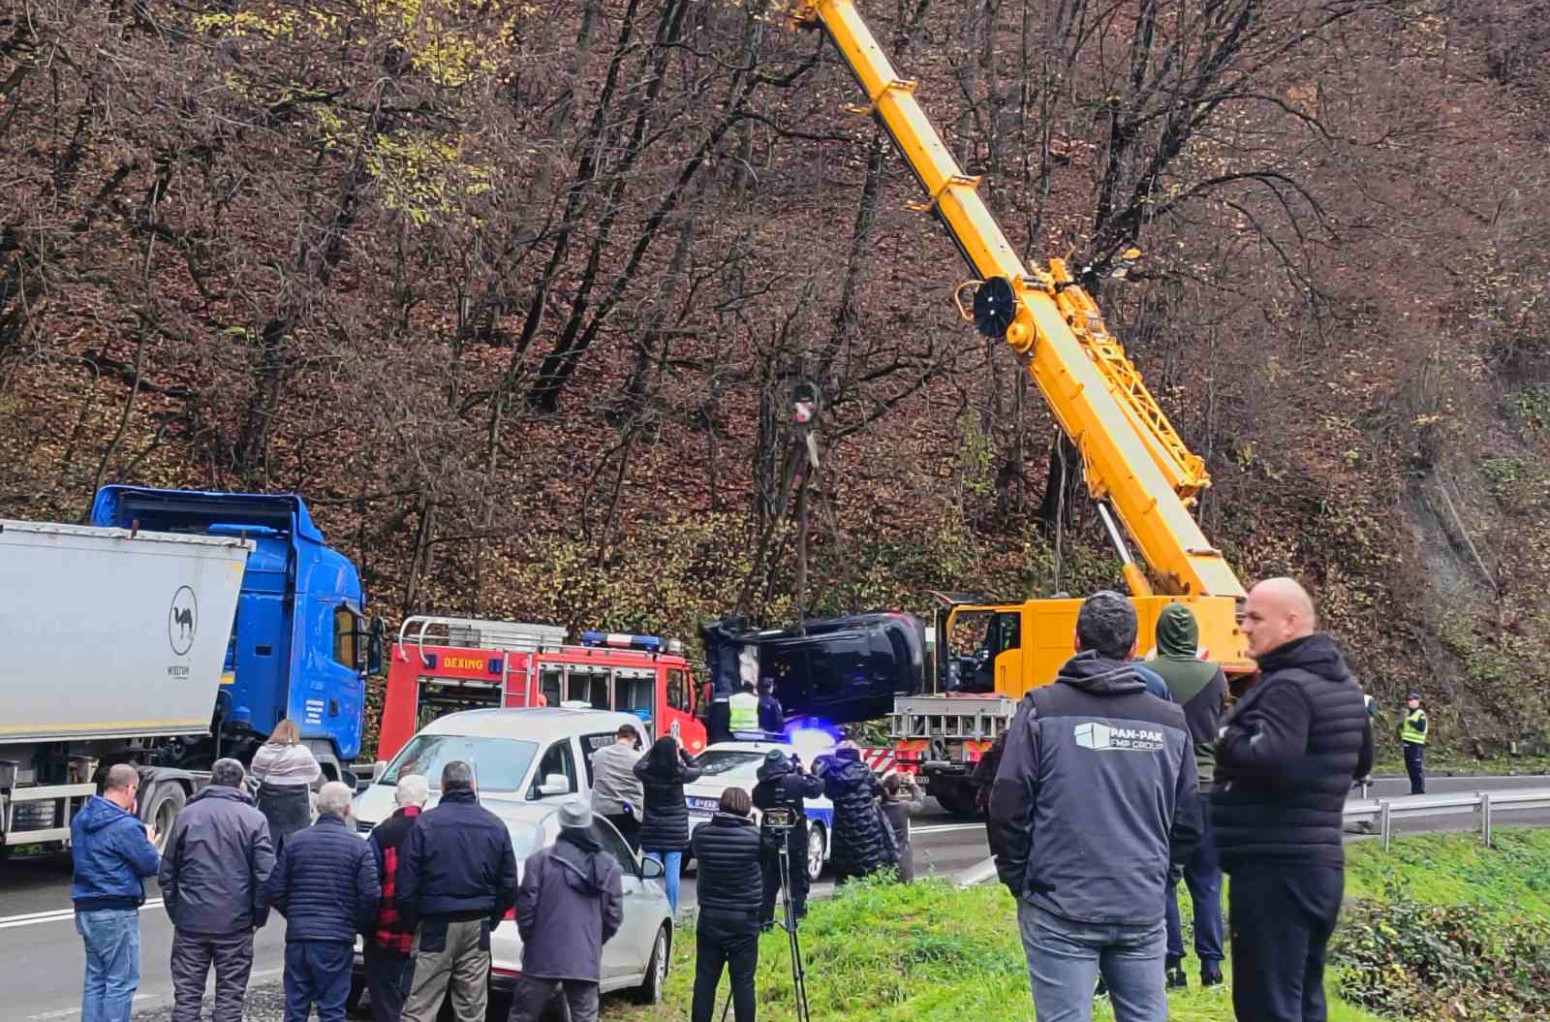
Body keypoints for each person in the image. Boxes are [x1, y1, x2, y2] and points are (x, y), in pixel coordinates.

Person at [989, 591, 1200, 1022]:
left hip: (1058, 904)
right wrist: (1162, 877)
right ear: (1135, 648)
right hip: (1140, 903)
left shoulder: (1041, 709)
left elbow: (1007, 801)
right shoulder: (1171, 722)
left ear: (1075, 640)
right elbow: (1188, 820)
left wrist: (1021, 878)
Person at [1214, 578, 1373, 1022]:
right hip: (1320, 866)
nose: (1244, 627)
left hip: (1274, 868)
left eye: (1255, 618)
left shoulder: (1287, 688)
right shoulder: (1342, 685)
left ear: (1291, 623)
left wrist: (1228, 737)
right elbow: (1360, 762)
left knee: (1267, 1004)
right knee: (1304, 999)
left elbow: (1271, 759)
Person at [1144, 603, 1227, 990]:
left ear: (1160, 634)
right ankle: (1211, 967)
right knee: (1207, 880)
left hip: (1166, 788)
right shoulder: (1214, 674)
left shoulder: (1147, 673)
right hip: (1209, 787)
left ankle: (1171, 964)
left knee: (1165, 879)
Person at [398, 761, 519, 1022]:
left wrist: (414, 921)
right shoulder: (495, 825)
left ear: (442, 787)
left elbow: (406, 884)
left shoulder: (425, 824)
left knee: (420, 1004)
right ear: (472, 785)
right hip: (478, 924)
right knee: (471, 1007)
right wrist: (491, 919)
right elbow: (509, 885)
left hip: (435, 923)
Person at [159, 758, 275, 1022]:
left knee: (187, 995)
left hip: (191, 921)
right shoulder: (254, 819)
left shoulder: (187, 815)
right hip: (235, 923)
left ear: (211, 779)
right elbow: (265, 875)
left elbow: (167, 872)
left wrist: (178, 912)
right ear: (241, 783)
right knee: (229, 997)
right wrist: (258, 917)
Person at [267, 781, 380, 1022]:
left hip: (299, 937)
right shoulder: (359, 847)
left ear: (317, 807)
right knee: (332, 1008)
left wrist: (297, 915)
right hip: (336, 939)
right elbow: (370, 895)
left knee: (296, 1007)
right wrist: (356, 924)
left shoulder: (296, 842)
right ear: (348, 810)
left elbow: (275, 889)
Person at [507, 800, 624, 1022]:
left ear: (562, 824)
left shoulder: (539, 861)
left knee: (522, 1016)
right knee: (584, 1016)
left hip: (541, 956)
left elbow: (526, 909)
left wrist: (531, 940)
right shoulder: (608, 866)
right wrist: (593, 941)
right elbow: (614, 916)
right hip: (584, 959)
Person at [72, 763, 161, 1022]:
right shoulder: (124, 826)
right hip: (116, 909)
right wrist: (148, 842)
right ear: (130, 788)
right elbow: (150, 865)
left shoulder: (82, 818)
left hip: (86, 907)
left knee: (96, 979)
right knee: (120, 982)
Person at [689, 787, 763, 1022]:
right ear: (746, 809)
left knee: (705, 980)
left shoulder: (702, 833)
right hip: (744, 917)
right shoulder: (755, 837)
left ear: (719, 806)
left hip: (710, 914)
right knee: (743, 982)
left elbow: (692, 849)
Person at [363, 775, 430, 1022]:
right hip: (425, 935)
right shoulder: (434, 830)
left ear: (395, 799)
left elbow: (369, 886)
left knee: (385, 1001)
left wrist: (366, 927)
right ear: (426, 799)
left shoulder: (382, 833)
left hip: (385, 932)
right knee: (421, 1003)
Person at [751, 748, 823, 926]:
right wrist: (805, 772)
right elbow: (817, 788)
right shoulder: (795, 782)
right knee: (798, 878)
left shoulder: (759, 789)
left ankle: (765, 920)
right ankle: (797, 916)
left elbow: (759, 804)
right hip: (796, 839)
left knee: (769, 881)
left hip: (770, 840)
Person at [633, 736, 701, 913]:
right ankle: (671, 911)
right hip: (675, 830)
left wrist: (652, 750)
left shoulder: (647, 773)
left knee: (650, 872)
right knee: (673, 874)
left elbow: (637, 766)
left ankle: (650, 910)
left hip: (652, 828)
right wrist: (683, 750)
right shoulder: (679, 773)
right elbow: (697, 769)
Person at [818, 742, 896, 884]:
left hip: (843, 829)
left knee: (843, 873)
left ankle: (841, 900)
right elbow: (878, 789)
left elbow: (828, 793)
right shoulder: (865, 771)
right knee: (867, 869)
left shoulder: (831, 773)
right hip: (867, 830)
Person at [250, 719, 322, 856]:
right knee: (296, 844)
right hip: (297, 803)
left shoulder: (263, 751)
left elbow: (255, 771)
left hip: (270, 801)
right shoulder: (302, 751)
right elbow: (315, 774)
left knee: (269, 841)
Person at [590, 724, 645, 852]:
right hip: (629, 813)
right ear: (634, 739)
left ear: (617, 737)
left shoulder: (599, 754)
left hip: (602, 811)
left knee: (604, 851)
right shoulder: (637, 758)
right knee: (627, 854)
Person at [878, 772, 926, 883]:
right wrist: (912, 784)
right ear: (897, 789)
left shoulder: (877, 808)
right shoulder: (904, 807)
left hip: (883, 857)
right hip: (903, 858)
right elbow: (919, 802)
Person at [1400, 692, 1428, 795]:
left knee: (1416, 767)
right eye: (1409, 700)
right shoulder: (1407, 713)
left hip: (1416, 744)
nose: (1410, 702)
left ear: (1417, 701)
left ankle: (1419, 789)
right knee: (1410, 768)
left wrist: (1411, 722)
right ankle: (1414, 789)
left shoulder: (1420, 714)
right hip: (1407, 743)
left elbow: (1421, 727)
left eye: (1412, 700)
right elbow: (1403, 727)